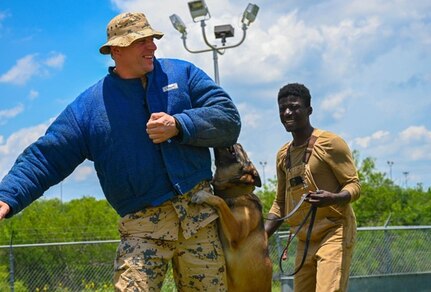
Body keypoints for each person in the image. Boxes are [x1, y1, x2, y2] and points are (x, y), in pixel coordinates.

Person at [0, 12, 241, 291]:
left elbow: (228, 119)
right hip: (142, 229)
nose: (152, 46)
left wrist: (180, 124)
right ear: (116, 50)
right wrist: (7, 196)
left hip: (199, 218)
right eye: (141, 41)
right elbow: (46, 157)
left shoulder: (183, 74)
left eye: (152, 38)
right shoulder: (89, 108)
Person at [264, 83, 360, 292]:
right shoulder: (283, 155)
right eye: (282, 108)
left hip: (334, 231)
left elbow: (353, 185)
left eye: (294, 107)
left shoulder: (330, 143)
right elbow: (280, 204)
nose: (287, 112)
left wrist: (334, 198)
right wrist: (260, 239)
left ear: (309, 110)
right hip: (304, 237)